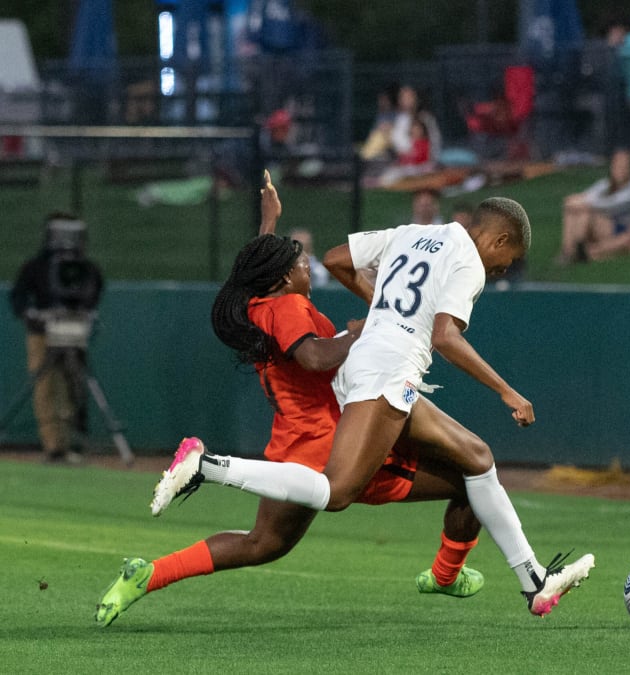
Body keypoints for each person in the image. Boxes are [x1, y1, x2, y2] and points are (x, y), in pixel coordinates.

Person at [149, 196, 594, 617]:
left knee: (476, 459)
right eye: (509, 258)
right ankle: (208, 467)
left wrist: (385, 309)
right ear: (498, 240)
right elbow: (445, 336)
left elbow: (339, 259)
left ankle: (532, 580)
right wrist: (507, 392)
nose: (504, 268)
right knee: (337, 492)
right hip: (387, 372)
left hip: (369, 363)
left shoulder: (414, 232)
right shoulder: (469, 263)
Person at [95, 172, 487, 626]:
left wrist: (269, 222)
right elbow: (317, 358)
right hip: (334, 441)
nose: (309, 267)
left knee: (262, 543)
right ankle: (446, 574)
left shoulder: (260, 304)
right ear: (285, 277)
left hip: (294, 444)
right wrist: (359, 333)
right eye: (302, 263)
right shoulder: (288, 308)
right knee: (471, 478)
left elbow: (261, 272)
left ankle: (149, 574)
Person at [8, 213, 104, 464]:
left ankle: (73, 442)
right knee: (46, 387)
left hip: (73, 332)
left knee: (73, 386)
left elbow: (93, 292)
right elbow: (18, 297)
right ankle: (54, 447)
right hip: (42, 334)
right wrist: (31, 315)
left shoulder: (85, 268)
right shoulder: (36, 266)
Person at [556, 148, 630, 264]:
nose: (620, 170)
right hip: (610, 225)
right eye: (617, 165)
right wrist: (577, 201)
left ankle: (576, 251)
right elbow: (589, 195)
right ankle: (568, 251)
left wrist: (583, 202)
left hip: (627, 229)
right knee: (574, 210)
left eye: (624, 166)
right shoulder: (607, 184)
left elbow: (613, 204)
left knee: (585, 211)